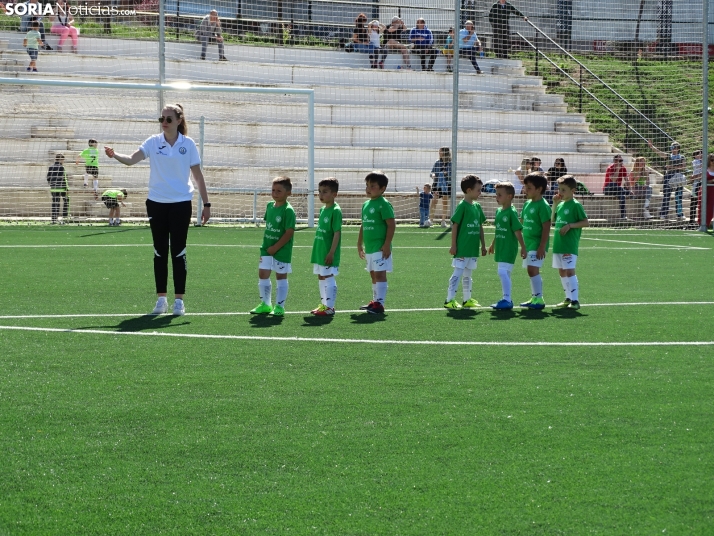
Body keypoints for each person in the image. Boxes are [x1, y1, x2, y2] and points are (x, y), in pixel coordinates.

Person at [104, 103, 211, 316]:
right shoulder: (153, 142)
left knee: (178, 251)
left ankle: (179, 301)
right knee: (159, 251)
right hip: (156, 203)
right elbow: (132, 160)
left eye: (168, 119)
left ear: (179, 120)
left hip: (181, 204)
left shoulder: (188, 144)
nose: (164, 122)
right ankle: (161, 299)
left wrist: (206, 204)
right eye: (161, 119)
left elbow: (198, 176)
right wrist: (115, 155)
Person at [250, 177, 296, 317]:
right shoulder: (270, 206)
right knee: (263, 274)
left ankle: (280, 306)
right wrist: (269, 246)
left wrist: (276, 247)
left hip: (281, 250)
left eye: (279, 191)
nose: (275, 193)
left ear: (288, 193)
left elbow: (289, 232)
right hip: (266, 248)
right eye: (273, 190)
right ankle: (265, 304)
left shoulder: (288, 210)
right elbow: (269, 226)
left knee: (281, 276)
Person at [443, 175, 487, 310]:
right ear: (468, 190)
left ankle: (467, 299)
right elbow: (455, 225)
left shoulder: (477, 207)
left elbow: (480, 227)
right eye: (478, 190)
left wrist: (483, 245)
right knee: (458, 272)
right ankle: (449, 299)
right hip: (462, 248)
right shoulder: (462, 206)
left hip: (473, 249)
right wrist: (454, 245)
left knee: (468, 274)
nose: (480, 193)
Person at [357, 171, 395, 315]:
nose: (368, 188)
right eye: (367, 185)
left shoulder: (384, 204)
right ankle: (375, 302)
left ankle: (380, 304)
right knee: (373, 275)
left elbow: (391, 225)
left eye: (372, 186)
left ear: (382, 188)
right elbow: (363, 225)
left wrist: (387, 244)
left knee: (380, 275)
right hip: (370, 248)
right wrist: (359, 244)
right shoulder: (366, 204)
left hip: (380, 247)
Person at [551, 175, 589, 310]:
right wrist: (554, 204)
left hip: (569, 245)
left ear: (573, 190)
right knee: (561, 272)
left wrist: (570, 225)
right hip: (558, 244)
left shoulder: (576, 205)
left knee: (569, 271)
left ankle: (575, 301)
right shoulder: (561, 205)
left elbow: (586, 222)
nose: (560, 192)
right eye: (559, 189)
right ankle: (567, 298)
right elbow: (551, 220)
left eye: (564, 190)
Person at [488, 182, 526, 310]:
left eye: (499, 195)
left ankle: (507, 299)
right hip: (501, 247)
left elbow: (517, 231)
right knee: (506, 272)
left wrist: (523, 247)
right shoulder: (499, 211)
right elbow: (499, 230)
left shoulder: (511, 212)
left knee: (502, 271)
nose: (496, 197)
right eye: (496, 194)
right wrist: (493, 244)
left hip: (509, 247)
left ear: (509, 196)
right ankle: (507, 298)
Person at [310, 178, 342, 316]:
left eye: (325, 192)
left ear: (334, 194)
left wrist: (331, 252)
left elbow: (337, 233)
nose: (321, 195)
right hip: (319, 250)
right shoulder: (323, 209)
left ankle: (330, 307)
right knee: (321, 276)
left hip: (328, 252)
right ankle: (324, 305)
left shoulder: (336, 210)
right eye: (319, 191)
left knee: (328, 276)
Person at [519, 172, 551, 310]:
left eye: (529, 187)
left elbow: (546, 227)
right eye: (525, 187)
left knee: (533, 269)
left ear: (539, 189)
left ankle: (539, 298)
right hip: (528, 244)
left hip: (537, 244)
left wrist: (542, 246)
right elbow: (522, 223)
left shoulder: (543, 206)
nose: (525, 190)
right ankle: (534, 297)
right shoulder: (527, 204)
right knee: (530, 270)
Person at [648, 139, 686, 220]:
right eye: (671, 147)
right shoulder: (668, 156)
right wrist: (652, 146)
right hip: (668, 177)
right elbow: (659, 152)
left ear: (678, 148)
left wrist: (671, 167)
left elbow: (683, 167)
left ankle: (680, 214)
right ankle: (663, 214)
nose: (672, 148)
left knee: (678, 196)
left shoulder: (682, 157)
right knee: (666, 196)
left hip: (678, 177)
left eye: (674, 147)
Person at [603, 154, 632, 220]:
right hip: (608, 189)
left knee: (622, 196)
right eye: (620, 160)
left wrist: (630, 189)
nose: (621, 162)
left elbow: (627, 180)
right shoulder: (610, 168)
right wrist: (618, 170)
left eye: (621, 160)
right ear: (615, 161)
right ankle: (625, 192)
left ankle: (623, 215)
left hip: (617, 190)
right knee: (613, 184)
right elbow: (613, 180)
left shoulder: (623, 168)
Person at [430, 147, 452, 227]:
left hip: (446, 184)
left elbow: (452, 175)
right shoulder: (437, 162)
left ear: (445, 153)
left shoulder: (451, 163)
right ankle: (431, 220)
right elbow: (432, 172)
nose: (439, 153)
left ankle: (443, 221)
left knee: (445, 202)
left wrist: (446, 174)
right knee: (434, 201)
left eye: (441, 151)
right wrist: (433, 175)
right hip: (437, 184)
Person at [47, 153, 69, 224]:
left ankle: (54, 219)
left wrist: (52, 185)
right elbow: (64, 178)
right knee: (66, 200)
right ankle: (65, 216)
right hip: (61, 188)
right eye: (63, 160)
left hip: (53, 188)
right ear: (60, 159)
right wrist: (66, 189)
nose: (63, 161)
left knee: (55, 203)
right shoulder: (62, 167)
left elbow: (48, 178)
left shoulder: (51, 167)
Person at [698, 154, 714, 229]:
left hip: (712, 191)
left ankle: (707, 224)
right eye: (712, 160)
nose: (713, 162)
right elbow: (703, 180)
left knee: (710, 208)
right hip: (704, 190)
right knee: (702, 207)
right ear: (709, 161)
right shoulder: (705, 169)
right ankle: (700, 224)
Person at [689, 149, 703, 224]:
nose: (700, 155)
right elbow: (700, 168)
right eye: (698, 153)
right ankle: (692, 220)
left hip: (701, 182)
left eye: (701, 153)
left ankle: (701, 220)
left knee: (701, 202)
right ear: (694, 156)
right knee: (694, 201)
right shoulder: (695, 162)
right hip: (696, 184)